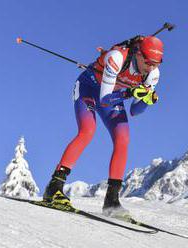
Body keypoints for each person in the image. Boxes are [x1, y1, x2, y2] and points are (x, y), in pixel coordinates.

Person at [43, 35, 163, 218]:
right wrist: (130, 92)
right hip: (88, 89)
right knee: (87, 131)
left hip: (115, 95)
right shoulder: (117, 58)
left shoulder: (153, 74)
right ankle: (54, 187)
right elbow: (104, 100)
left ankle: (111, 201)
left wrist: (147, 100)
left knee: (123, 138)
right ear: (138, 54)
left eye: (157, 63)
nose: (152, 67)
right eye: (149, 62)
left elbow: (135, 111)